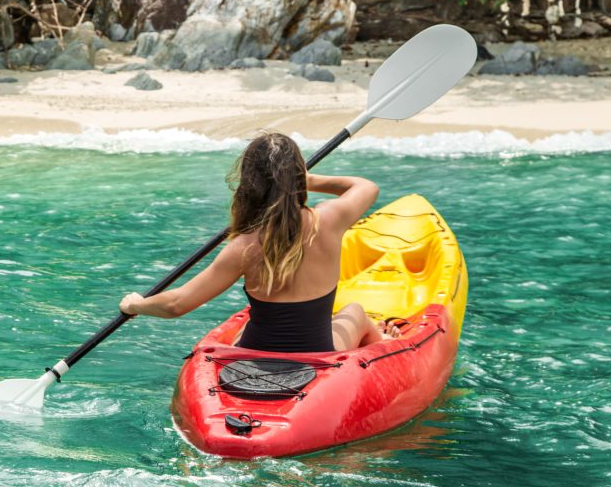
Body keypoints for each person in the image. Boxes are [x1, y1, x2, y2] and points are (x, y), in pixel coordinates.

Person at [119, 132, 400, 352]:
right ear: (298, 176)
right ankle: (383, 344)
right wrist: (308, 180)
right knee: (355, 312)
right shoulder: (330, 219)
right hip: (319, 351)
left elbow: (176, 305)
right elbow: (366, 187)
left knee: (248, 323)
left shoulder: (243, 246)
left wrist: (136, 305)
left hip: (254, 350)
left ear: (249, 184)